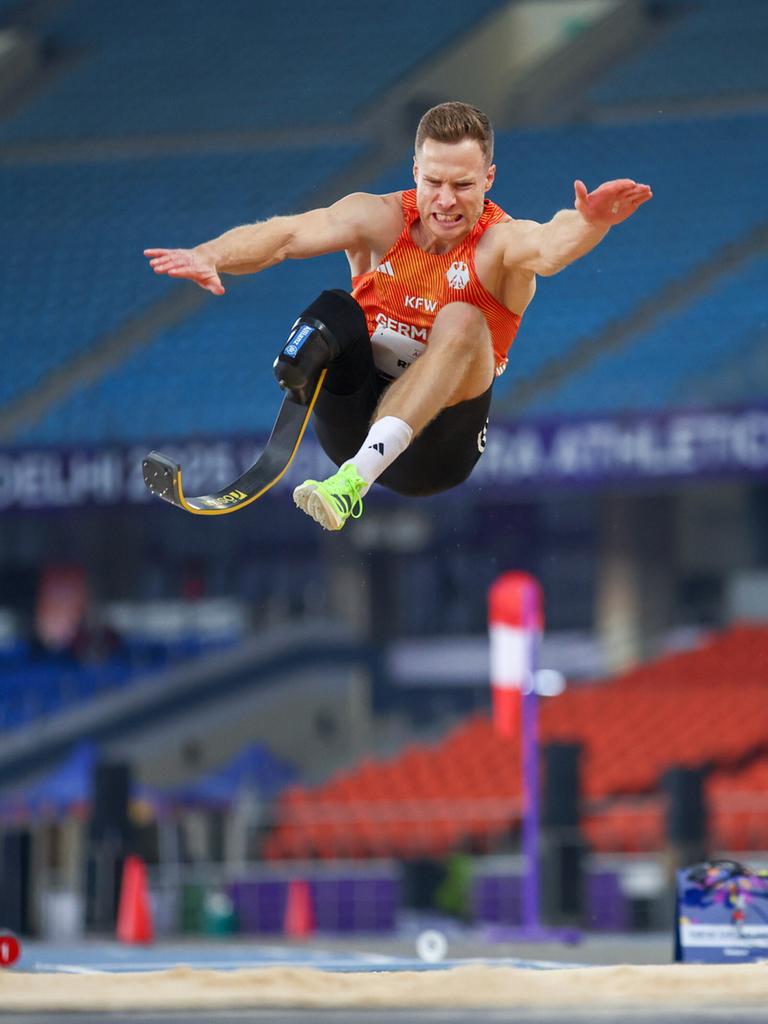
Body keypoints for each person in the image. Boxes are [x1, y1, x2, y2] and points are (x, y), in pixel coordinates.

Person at [145, 101, 652, 531]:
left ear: (489, 179)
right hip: (354, 423)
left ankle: (351, 484)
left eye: (463, 185)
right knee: (333, 309)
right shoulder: (378, 218)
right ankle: (297, 377)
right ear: (414, 172)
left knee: (463, 318)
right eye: (434, 182)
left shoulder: (499, 243)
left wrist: (590, 223)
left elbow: (549, 244)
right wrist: (212, 254)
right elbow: (286, 235)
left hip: (436, 452)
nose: (446, 201)